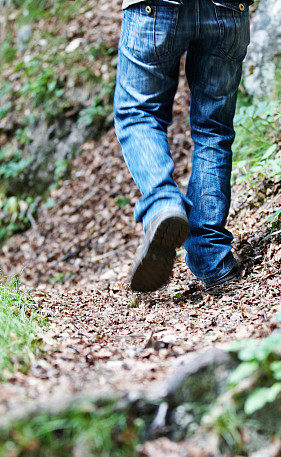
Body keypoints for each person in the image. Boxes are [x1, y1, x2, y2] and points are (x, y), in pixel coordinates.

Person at [114, 0, 251, 292]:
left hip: (155, 7)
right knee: (214, 129)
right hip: (228, 8)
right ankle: (212, 258)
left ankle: (163, 203)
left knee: (137, 115)